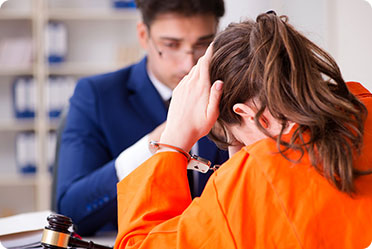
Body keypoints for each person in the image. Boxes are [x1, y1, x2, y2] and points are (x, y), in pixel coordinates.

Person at [114, 11, 372, 248]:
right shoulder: (364, 110)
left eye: (236, 139)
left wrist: (172, 143)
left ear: (245, 113)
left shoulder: (257, 180)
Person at [55, 0, 228, 236]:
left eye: (203, 44)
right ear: (143, 35)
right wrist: (158, 143)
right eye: (171, 45)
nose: (189, 63)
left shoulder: (233, 94)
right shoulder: (96, 96)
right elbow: (71, 212)